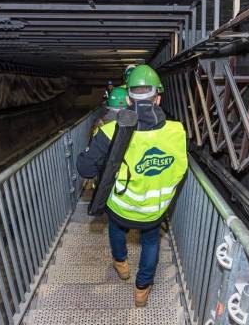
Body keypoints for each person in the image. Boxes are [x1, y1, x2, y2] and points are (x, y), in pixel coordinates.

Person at [77, 65, 187, 307]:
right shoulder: (177, 131)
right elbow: (180, 170)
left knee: (116, 229)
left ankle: (121, 265)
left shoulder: (109, 131)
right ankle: (142, 289)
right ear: (158, 98)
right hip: (153, 211)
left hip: (121, 207)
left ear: (128, 99)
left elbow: (85, 169)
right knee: (151, 242)